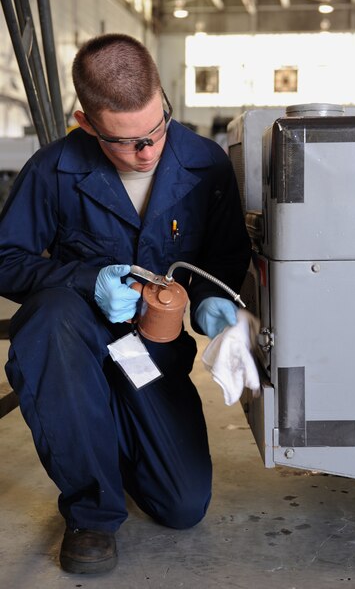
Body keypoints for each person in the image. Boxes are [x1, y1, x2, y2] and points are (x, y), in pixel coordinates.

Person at [0, 34, 251, 575]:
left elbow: (224, 260)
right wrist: (87, 279)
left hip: (150, 355)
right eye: (127, 141)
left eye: (157, 127)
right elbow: (6, 259)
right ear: (85, 123)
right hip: (75, 342)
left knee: (183, 506)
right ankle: (92, 510)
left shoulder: (206, 166)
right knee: (47, 323)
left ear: (162, 96)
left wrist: (211, 303)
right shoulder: (54, 170)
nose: (149, 150)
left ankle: (109, 428)